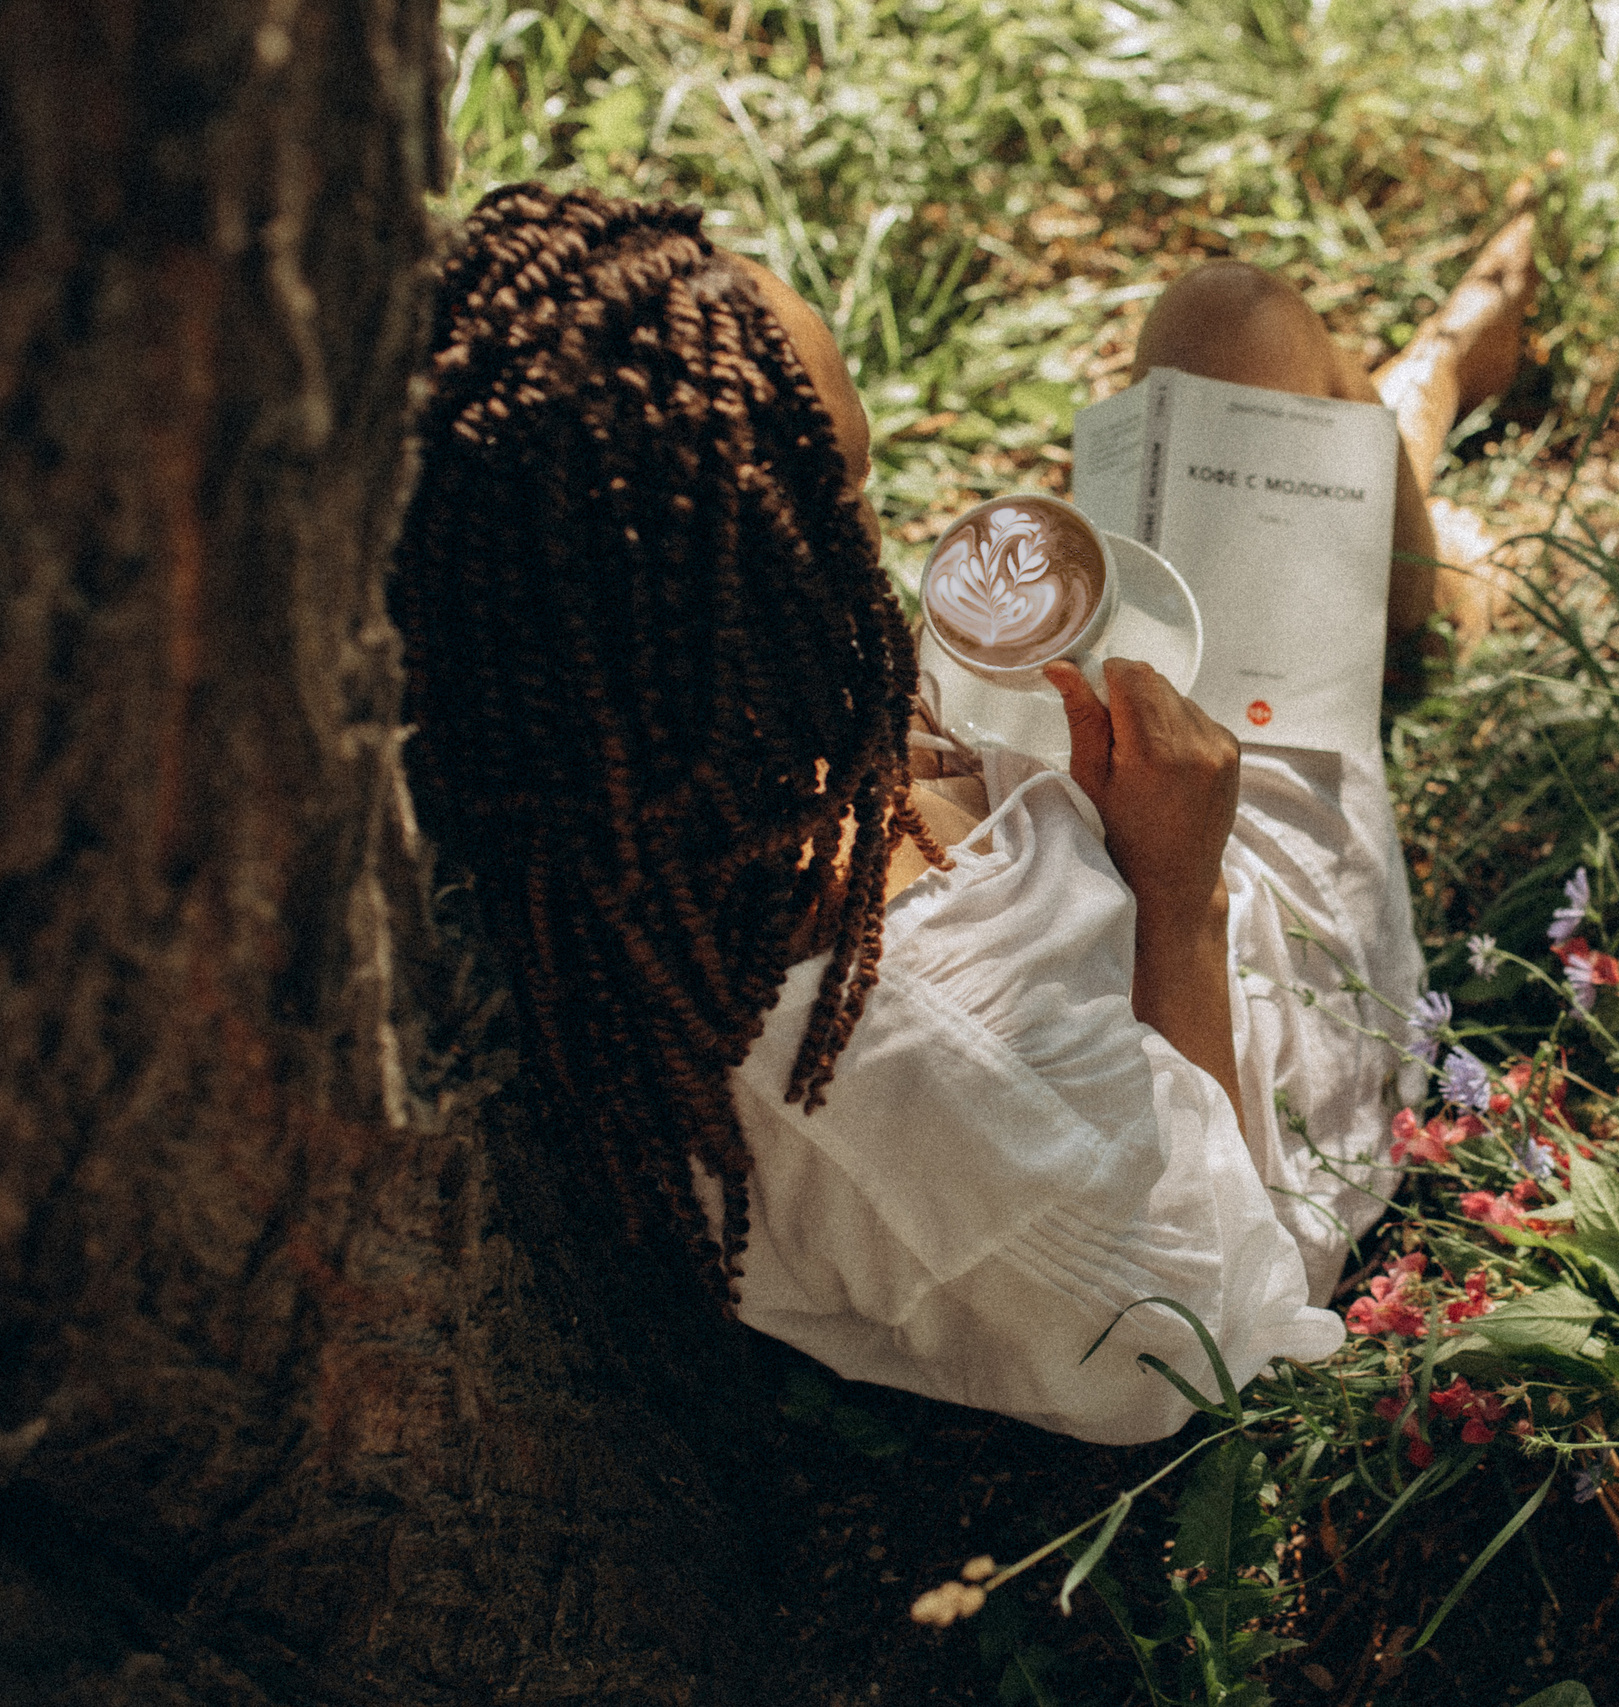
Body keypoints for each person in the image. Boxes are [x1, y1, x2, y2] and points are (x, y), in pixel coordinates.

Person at [392, 184, 1534, 1444]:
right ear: (741, 604)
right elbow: (1212, 1314)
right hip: (1242, 1019)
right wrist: (1180, 893)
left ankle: (1414, 467)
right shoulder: (958, 1103)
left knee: (1233, 319)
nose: (881, 551)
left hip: (1106, 820)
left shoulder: (626, 771)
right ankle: (1433, 501)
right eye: (850, 506)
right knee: (1293, 440)